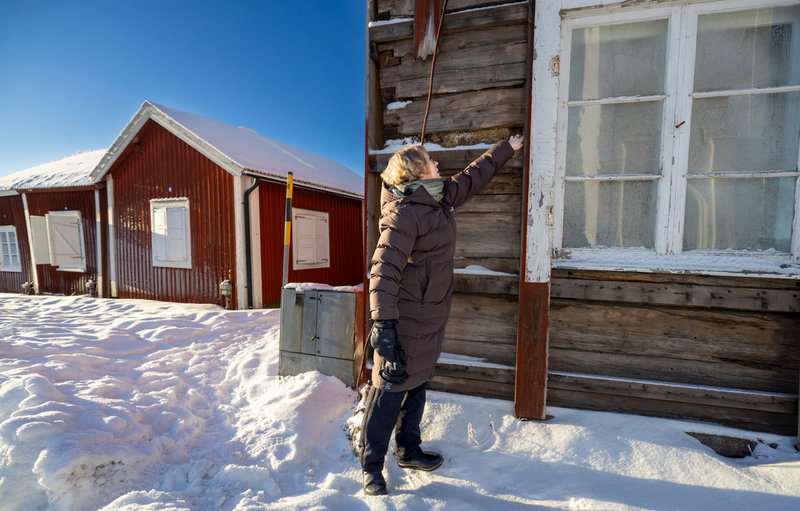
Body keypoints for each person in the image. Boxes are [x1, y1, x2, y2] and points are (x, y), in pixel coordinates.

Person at [359, 134, 524, 495]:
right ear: (416, 170)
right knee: (388, 391)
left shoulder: (438, 199)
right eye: (431, 160)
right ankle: (371, 466)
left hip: (431, 318)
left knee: (416, 386)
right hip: (403, 322)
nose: (437, 164)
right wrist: (383, 325)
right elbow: (382, 271)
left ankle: (408, 450)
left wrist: (506, 149)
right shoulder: (403, 213)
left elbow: (471, 178)